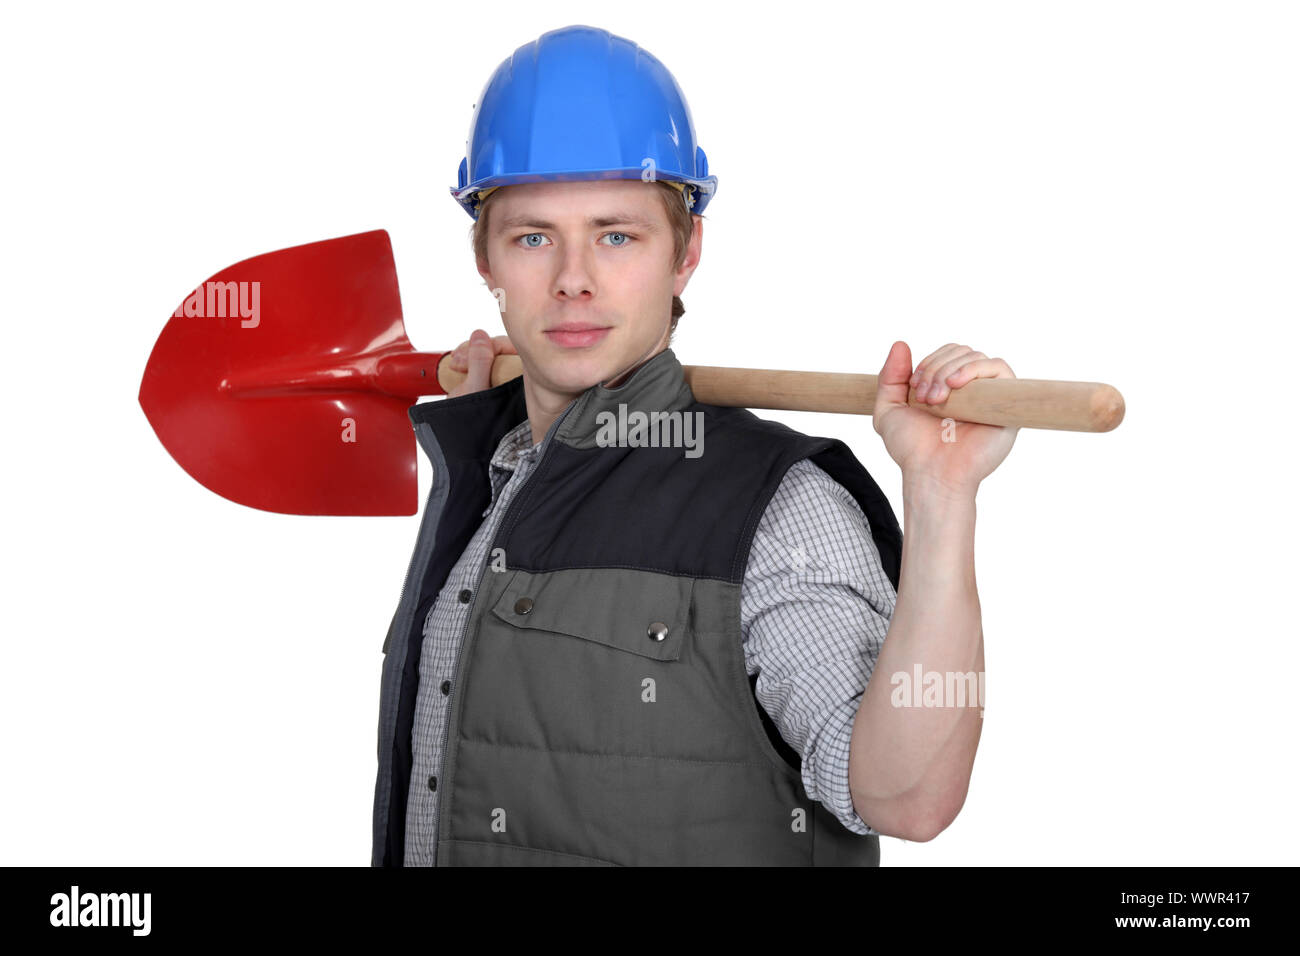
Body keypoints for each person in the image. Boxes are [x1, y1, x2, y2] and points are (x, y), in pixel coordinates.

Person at [372, 24, 1018, 867]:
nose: (573, 278)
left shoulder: (776, 505)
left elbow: (908, 798)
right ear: (486, 260)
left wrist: (941, 497)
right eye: (533, 237)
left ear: (686, 253)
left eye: (616, 235)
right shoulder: (487, 478)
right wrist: (496, 418)